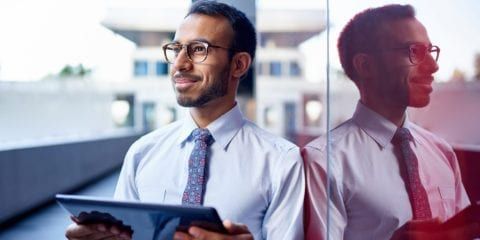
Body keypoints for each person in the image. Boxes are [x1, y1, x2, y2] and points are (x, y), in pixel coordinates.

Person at [65, 1, 304, 240]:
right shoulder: (142, 153)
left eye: (199, 49)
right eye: (176, 48)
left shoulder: (281, 162)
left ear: (238, 64)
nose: (179, 64)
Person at [303, 4, 479, 240]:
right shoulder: (321, 162)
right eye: (414, 51)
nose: (433, 66)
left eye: (431, 51)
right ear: (366, 66)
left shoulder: (442, 153)